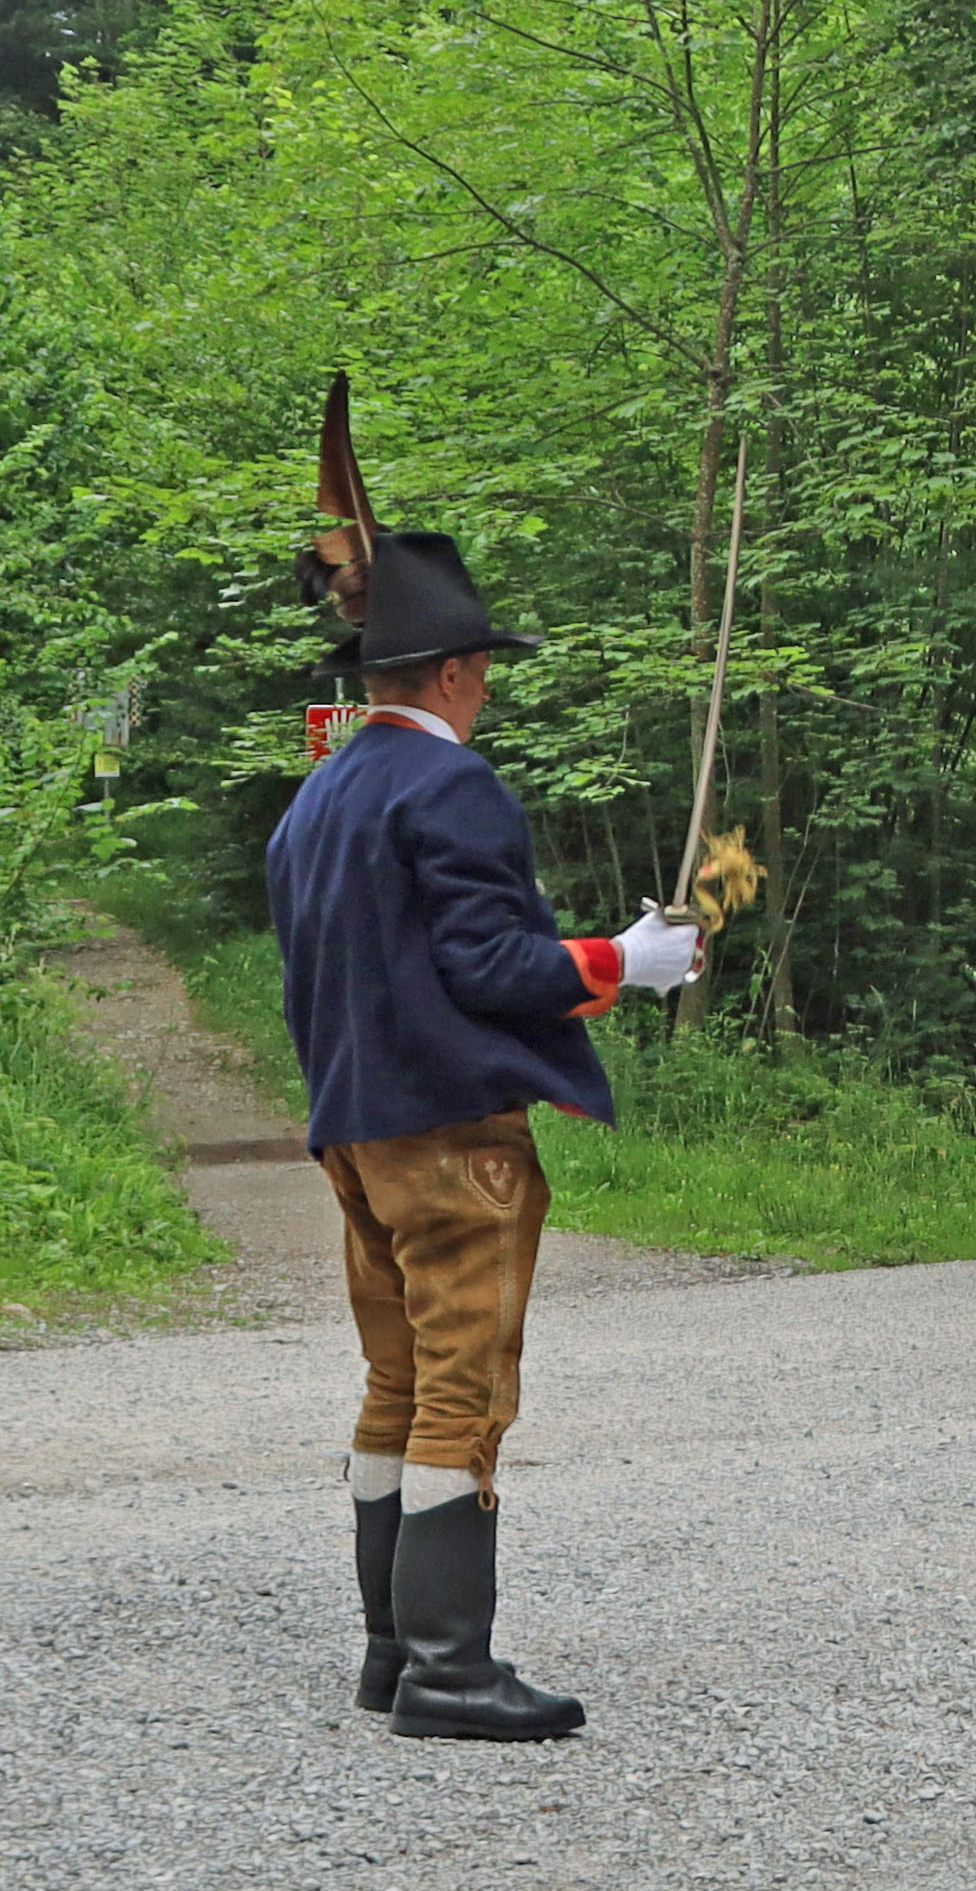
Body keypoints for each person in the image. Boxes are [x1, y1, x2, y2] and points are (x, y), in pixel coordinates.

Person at [266, 528, 700, 1741]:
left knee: (396, 1384)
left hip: (354, 1130)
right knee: (463, 1392)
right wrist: (625, 960)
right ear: (454, 671)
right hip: (451, 1135)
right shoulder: (451, 784)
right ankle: (451, 1673)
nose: (489, 688)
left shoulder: (318, 795)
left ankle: (393, 1654)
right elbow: (488, 965)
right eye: (484, 668)